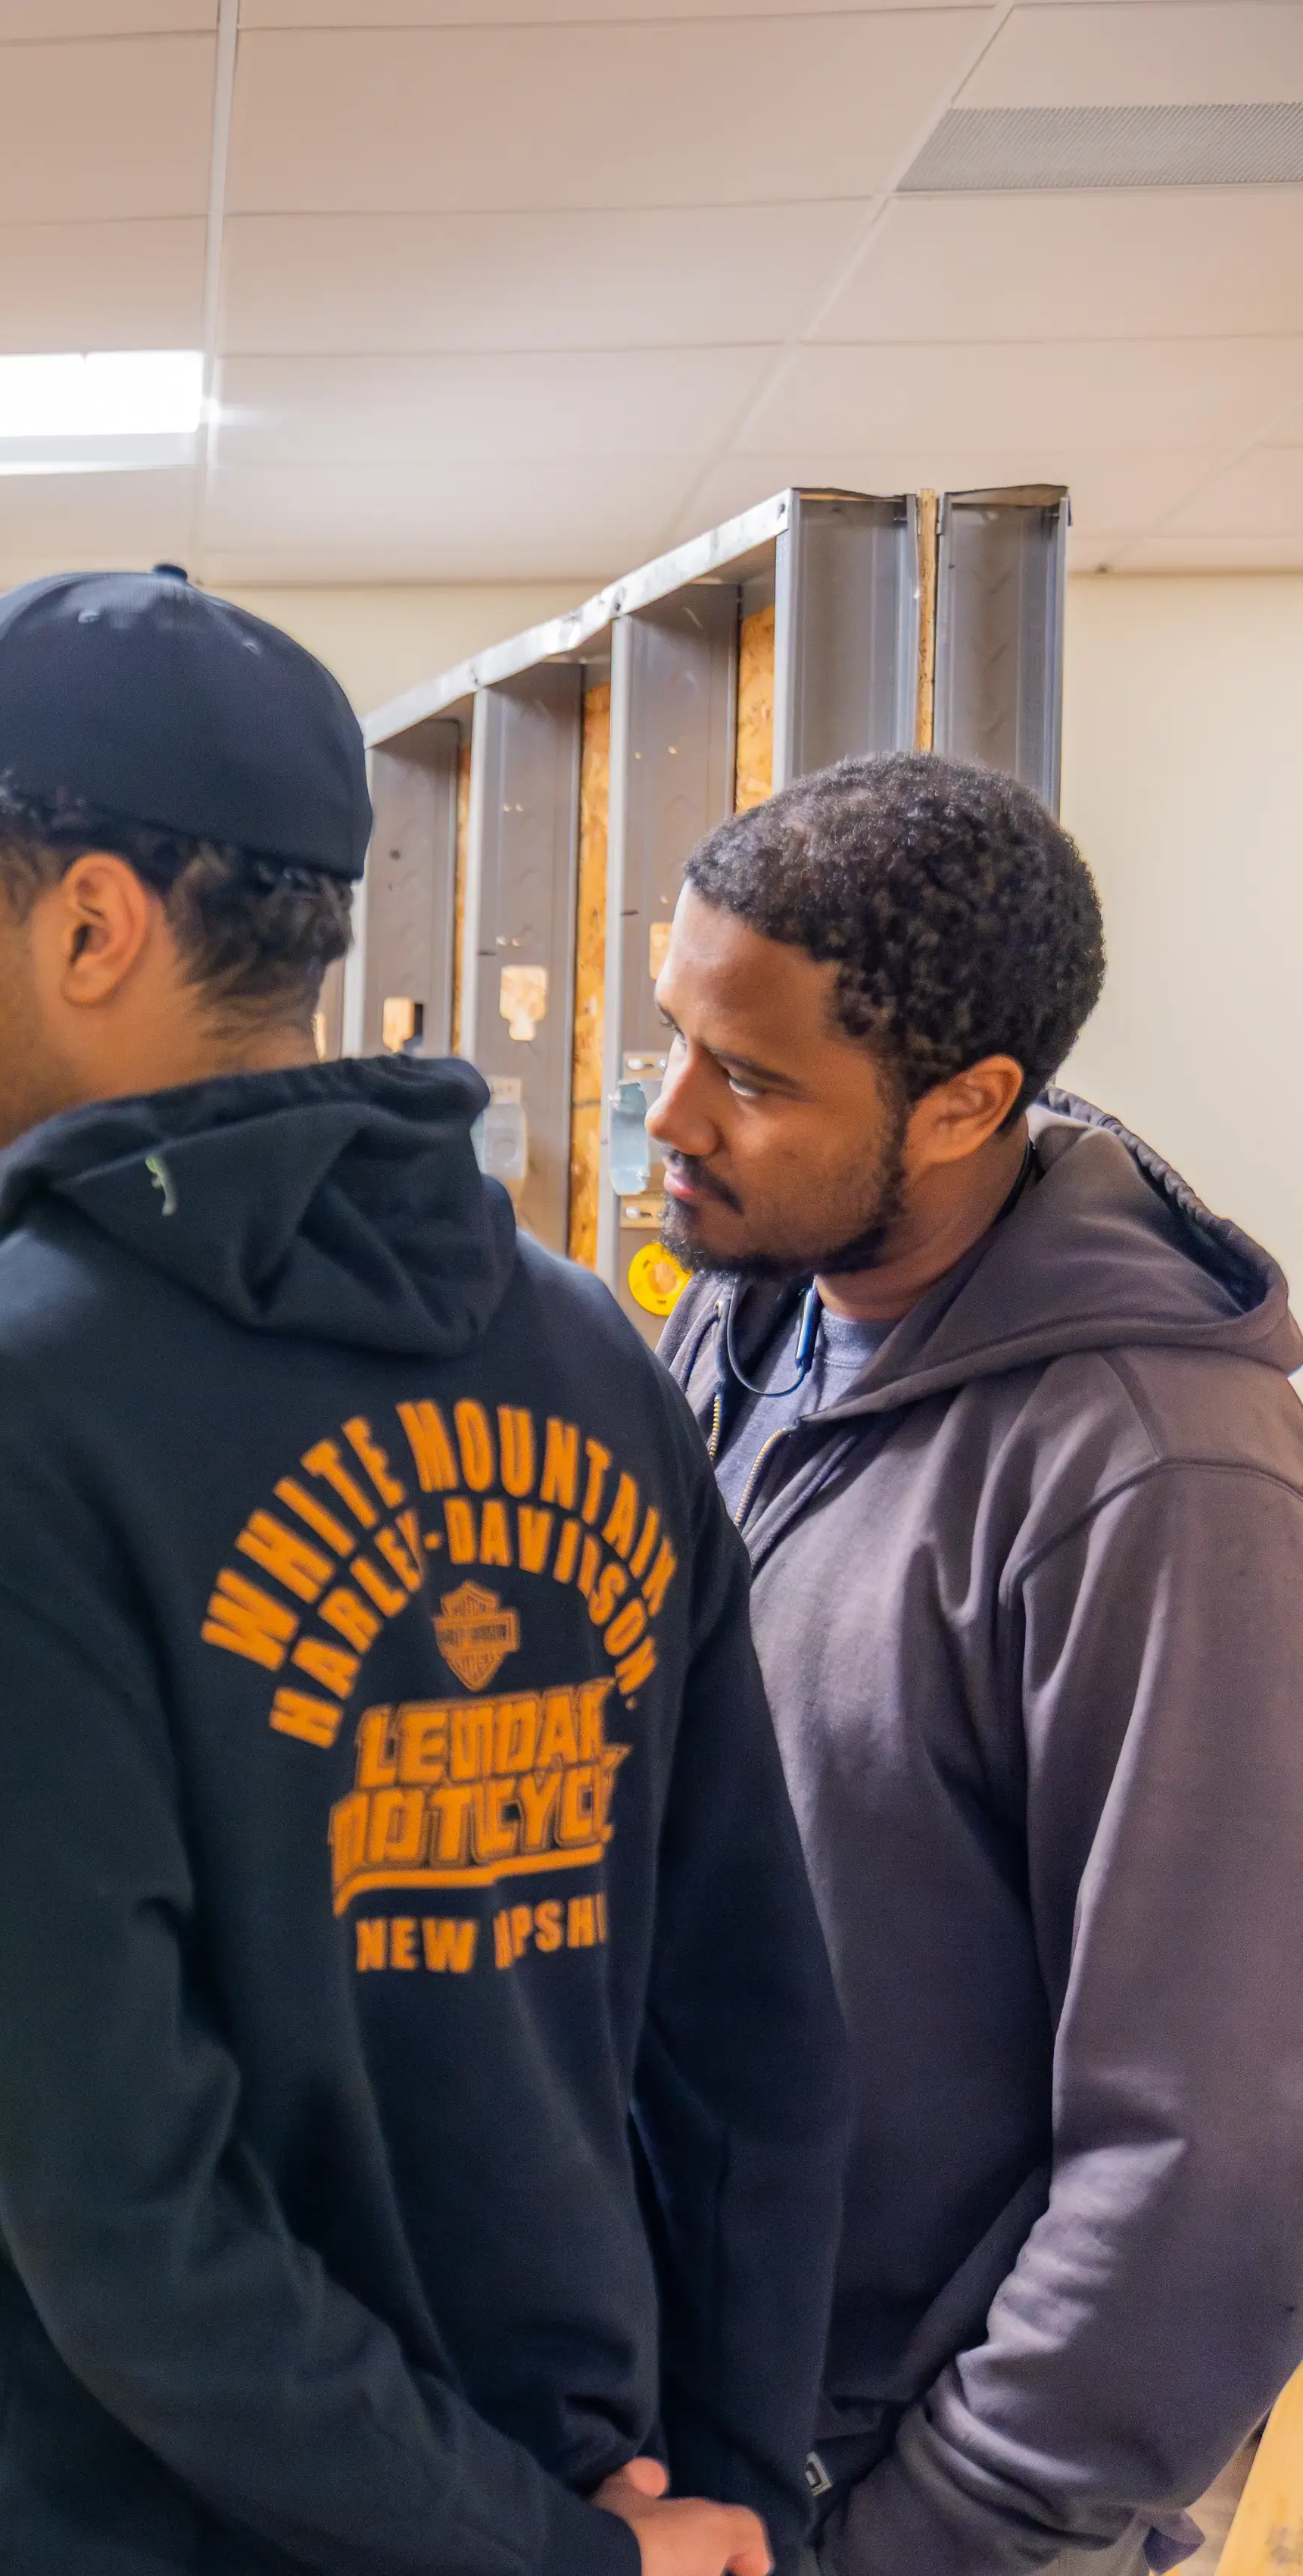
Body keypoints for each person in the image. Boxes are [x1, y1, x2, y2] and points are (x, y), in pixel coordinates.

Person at [0, 571, 850, 2576]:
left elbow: (121, 2210)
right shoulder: (584, 1350)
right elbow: (751, 2034)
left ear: (90, 923)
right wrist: (717, 2503)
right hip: (558, 2457)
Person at [646, 752, 1303, 2576]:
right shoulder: (742, 1322)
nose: (671, 1118)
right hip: (688, 2447)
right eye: (675, 1039)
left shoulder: (1156, 1477)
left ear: (964, 1105)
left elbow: (1217, 2149)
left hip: (894, 2495)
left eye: (753, 1078)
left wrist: (940, 2533)